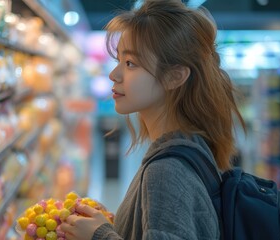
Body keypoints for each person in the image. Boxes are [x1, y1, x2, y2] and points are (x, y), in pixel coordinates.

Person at [60, 0, 245, 239]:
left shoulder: (166, 171)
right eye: (118, 61)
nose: (113, 74)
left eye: (130, 63)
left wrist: (100, 236)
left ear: (174, 76)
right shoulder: (190, 146)